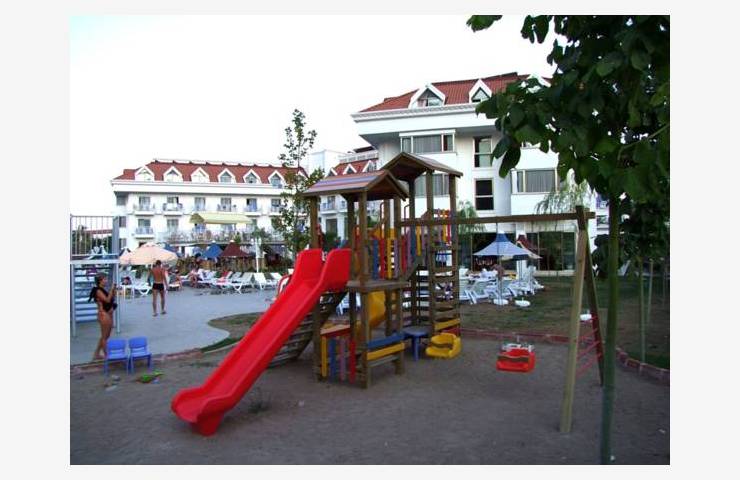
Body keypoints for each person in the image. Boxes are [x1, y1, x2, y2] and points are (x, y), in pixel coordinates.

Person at [88, 273, 117, 361]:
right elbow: (107, 300)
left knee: (106, 336)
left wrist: (113, 291)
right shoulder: (98, 291)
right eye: (105, 279)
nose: (106, 281)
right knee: (104, 337)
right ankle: (106, 355)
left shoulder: (103, 290)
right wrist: (111, 290)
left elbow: (111, 299)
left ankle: (96, 354)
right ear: (100, 281)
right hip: (103, 314)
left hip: (108, 314)